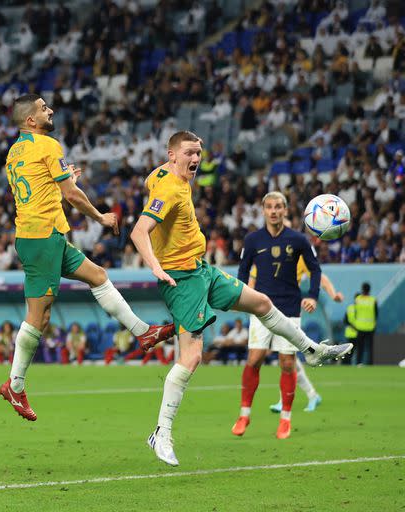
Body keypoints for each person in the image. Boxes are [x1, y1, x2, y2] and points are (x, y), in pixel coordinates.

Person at [130, 131, 352, 466]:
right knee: (191, 358)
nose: (195, 159)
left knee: (261, 303)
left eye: (198, 153)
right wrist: (156, 267)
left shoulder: (163, 173)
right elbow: (138, 230)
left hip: (201, 270)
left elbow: (152, 177)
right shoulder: (168, 188)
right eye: (189, 153)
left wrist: (174, 159)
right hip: (181, 280)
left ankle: (314, 351)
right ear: (173, 154)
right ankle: (161, 432)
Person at [0, 94, 174, 421]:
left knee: (98, 276)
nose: (49, 110)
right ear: (31, 121)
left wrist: (63, 185)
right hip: (42, 237)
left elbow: (40, 191)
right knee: (39, 317)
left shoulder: (14, 151)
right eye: (42, 108)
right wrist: (100, 217)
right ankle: (15, 384)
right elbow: (71, 194)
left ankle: (143, 332)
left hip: (40, 235)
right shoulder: (48, 145)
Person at [231, 191, 325, 440]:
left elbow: (315, 269)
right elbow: (242, 272)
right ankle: (244, 414)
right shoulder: (252, 240)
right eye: (269, 207)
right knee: (254, 359)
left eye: (279, 207)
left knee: (286, 362)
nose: (274, 211)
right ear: (263, 211)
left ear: (285, 210)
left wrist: (313, 296)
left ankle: (285, 420)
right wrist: (239, 298)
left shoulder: (299, 239)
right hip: (261, 306)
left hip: (290, 307)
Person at [268, 253, 345, 413]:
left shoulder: (298, 254)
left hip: (290, 310)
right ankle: (311, 395)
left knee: (287, 358)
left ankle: (289, 399)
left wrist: (333, 294)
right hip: (274, 310)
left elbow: (320, 277)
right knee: (288, 360)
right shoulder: (268, 250)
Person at [353, 282, 377, 365]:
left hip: (360, 327)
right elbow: (376, 313)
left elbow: (355, 312)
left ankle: (359, 363)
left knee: (360, 347)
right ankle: (370, 363)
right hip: (370, 327)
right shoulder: (373, 300)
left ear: (362, 289)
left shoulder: (358, 299)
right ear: (369, 289)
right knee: (370, 347)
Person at [342, 297, 358, 366]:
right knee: (356, 351)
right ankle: (353, 364)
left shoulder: (350, 308)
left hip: (350, 333)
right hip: (357, 333)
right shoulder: (361, 309)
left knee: (349, 352)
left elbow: (345, 321)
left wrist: (352, 326)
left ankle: (347, 365)